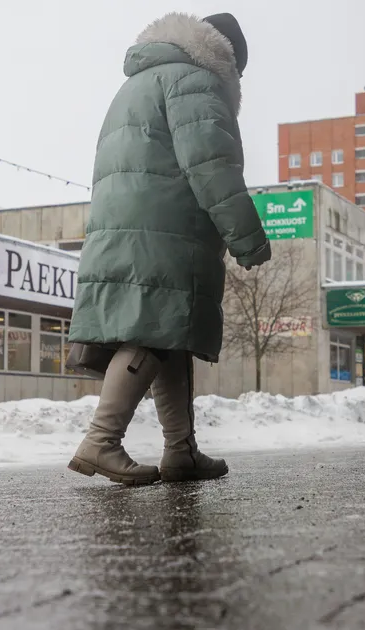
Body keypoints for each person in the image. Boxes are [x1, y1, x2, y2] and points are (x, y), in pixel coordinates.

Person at [65, 12, 271, 486]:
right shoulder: (196, 82)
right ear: (227, 59)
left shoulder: (139, 82)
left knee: (167, 331)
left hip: (128, 224)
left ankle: (181, 450)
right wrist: (248, 238)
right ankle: (101, 440)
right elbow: (211, 165)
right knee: (153, 333)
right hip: (168, 228)